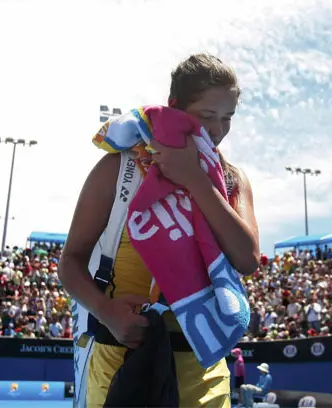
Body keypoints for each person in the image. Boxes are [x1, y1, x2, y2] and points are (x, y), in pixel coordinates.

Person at [59, 53, 260, 407]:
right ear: (175, 107)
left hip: (203, 365)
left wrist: (195, 180)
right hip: (118, 356)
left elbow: (246, 258)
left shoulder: (231, 179)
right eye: (207, 116)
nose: (217, 130)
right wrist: (106, 311)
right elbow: (70, 262)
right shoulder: (118, 169)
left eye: (227, 118)